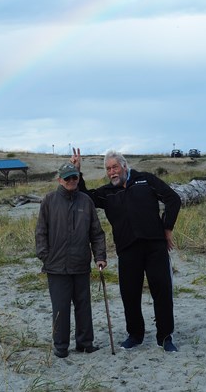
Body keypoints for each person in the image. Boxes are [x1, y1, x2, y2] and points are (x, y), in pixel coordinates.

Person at [71, 148, 181, 352]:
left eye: (114, 167)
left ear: (124, 166)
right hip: (127, 250)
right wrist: (78, 172)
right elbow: (86, 198)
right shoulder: (107, 192)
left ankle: (165, 337)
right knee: (129, 294)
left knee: (162, 292)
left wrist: (167, 228)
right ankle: (135, 335)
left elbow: (173, 199)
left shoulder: (145, 180)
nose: (112, 172)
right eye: (108, 169)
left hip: (155, 246)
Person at [35, 162, 107, 358]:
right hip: (56, 267)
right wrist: (45, 256)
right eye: (67, 178)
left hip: (81, 264)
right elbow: (41, 232)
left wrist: (100, 256)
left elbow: (97, 233)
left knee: (83, 305)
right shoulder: (49, 200)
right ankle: (61, 346)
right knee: (61, 308)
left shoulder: (86, 201)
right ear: (60, 179)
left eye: (74, 177)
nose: (71, 181)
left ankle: (85, 343)